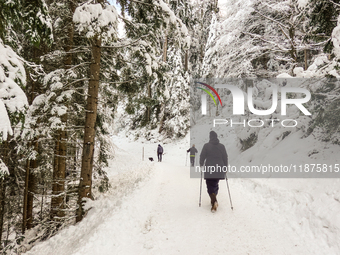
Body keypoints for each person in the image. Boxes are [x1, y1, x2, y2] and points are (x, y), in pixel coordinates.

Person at [200, 131, 228, 212]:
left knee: (209, 183)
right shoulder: (222, 146)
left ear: (210, 137)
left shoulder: (206, 146)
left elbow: (202, 156)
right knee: (215, 183)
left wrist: (201, 164)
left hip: (209, 167)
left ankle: (214, 199)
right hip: (219, 167)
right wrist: (225, 167)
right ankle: (214, 198)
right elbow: (225, 157)